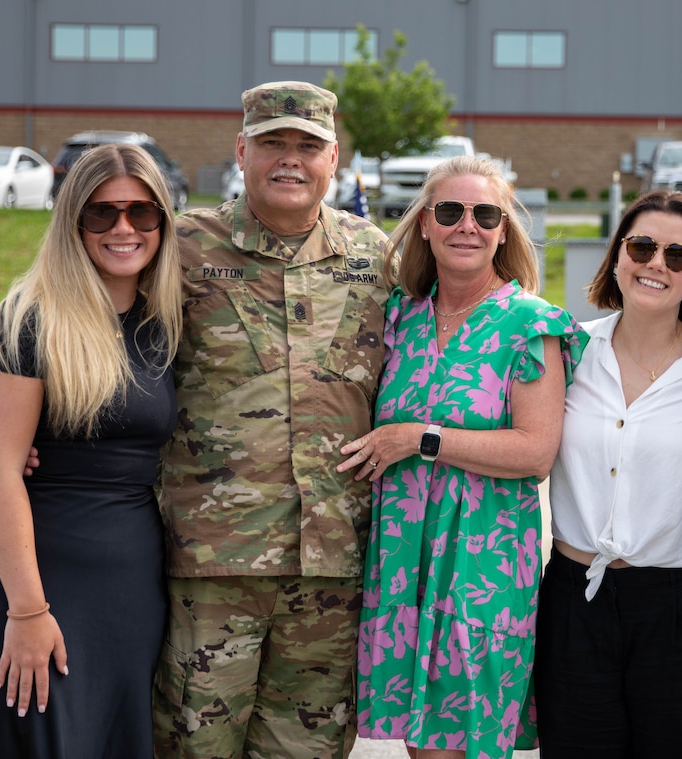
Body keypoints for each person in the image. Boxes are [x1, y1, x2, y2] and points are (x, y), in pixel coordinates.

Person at [149, 81, 391, 758]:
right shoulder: (186, 246)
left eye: (307, 146)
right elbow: (110, 347)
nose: (291, 159)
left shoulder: (374, 257)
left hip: (334, 566)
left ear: (334, 157)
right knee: (194, 746)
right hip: (211, 565)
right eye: (272, 143)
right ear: (241, 150)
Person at [336, 154, 587, 758]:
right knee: (422, 746)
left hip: (484, 565)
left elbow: (535, 452)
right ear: (424, 222)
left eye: (484, 213)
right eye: (449, 211)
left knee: (462, 743)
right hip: (402, 556)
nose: (465, 225)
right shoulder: (400, 318)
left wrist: (419, 438)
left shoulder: (529, 324)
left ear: (503, 229)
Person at [0, 143, 183, 758]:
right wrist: (27, 611)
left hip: (130, 587)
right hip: (33, 581)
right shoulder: (31, 318)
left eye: (142, 212)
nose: (124, 228)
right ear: (72, 222)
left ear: (164, 219)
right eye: (101, 214)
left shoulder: (166, 322)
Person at [533, 190, 682, 757]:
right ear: (618, 256)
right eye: (642, 246)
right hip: (574, 597)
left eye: (678, 255)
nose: (657, 263)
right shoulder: (568, 350)